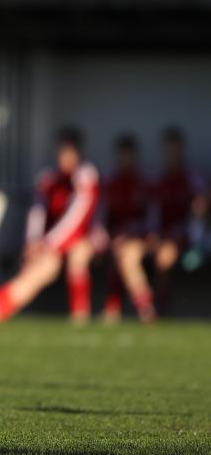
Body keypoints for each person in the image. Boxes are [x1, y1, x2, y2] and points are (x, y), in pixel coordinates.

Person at [0, 127, 99, 324]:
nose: (62, 156)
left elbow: (75, 218)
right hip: (53, 244)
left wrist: (48, 242)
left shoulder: (85, 176)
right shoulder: (49, 178)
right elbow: (36, 213)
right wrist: (32, 241)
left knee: (78, 256)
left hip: (83, 238)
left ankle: (80, 316)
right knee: (41, 268)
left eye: (67, 151)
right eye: (60, 151)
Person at [149, 127, 206, 315]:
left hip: (187, 236)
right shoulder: (158, 178)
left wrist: (197, 241)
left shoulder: (192, 177)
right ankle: (159, 307)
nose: (172, 155)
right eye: (168, 151)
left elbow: (200, 210)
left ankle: (163, 308)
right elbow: (153, 213)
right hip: (165, 235)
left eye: (175, 150)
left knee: (166, 254)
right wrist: (153, 234)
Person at [101, 134, 156, 324]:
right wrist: (105, 236)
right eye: (122, 155)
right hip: (114, 239)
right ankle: (110, 308)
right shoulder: (110, 181)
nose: (126, 159)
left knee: (127, 255)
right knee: (118, 252)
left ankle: (145, 309)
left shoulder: (144, 182)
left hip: (139, 239)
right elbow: (101, 215)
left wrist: (135, 233)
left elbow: (152, 216)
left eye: (129, 155)